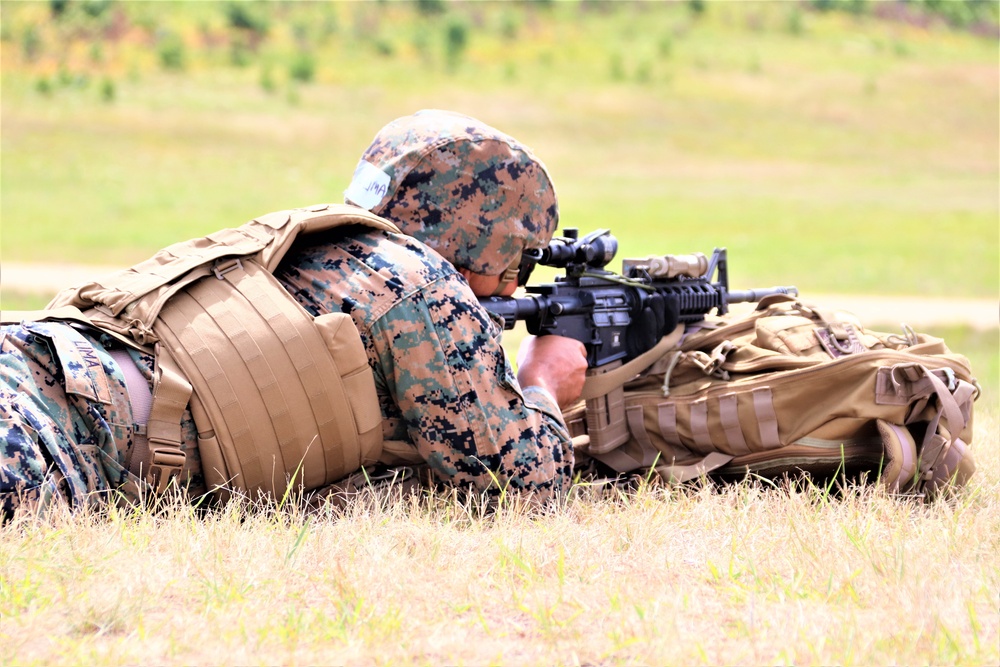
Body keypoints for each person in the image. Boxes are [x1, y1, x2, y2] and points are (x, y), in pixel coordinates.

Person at [0, 110, 588, 519]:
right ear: (485, 239)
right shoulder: (422, 285)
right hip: (56, 428)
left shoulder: (307, 245)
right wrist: (543, 384)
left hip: (34, 353)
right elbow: (521, 490)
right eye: (519, 259)